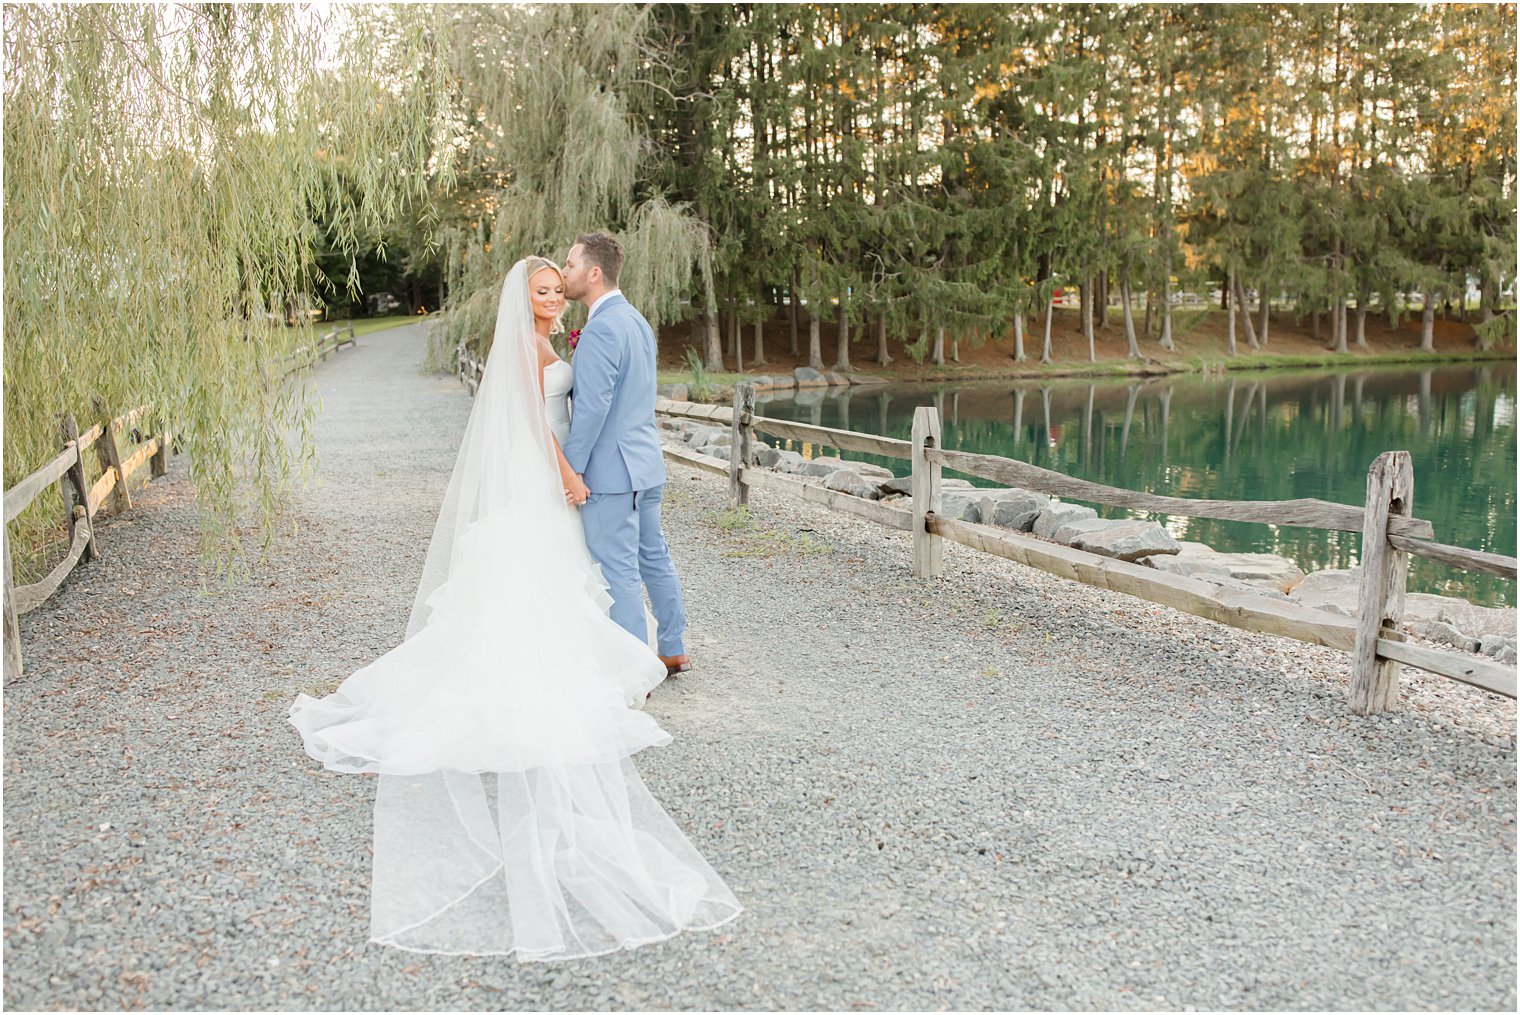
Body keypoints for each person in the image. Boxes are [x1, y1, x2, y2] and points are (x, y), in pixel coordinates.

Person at [288, 257, 740, 960]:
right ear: (522, 299)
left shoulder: (552, 341)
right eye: (544, 290)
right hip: (544, 476)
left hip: (550, 476)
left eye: (560, 288)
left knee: (558, 580)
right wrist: (570, 477)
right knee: (539, 578)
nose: (556, 297)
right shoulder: (528, 347)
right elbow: (534, 424)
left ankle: (569, 660)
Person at [561, 233, 693, 678]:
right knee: (654, 557)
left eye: (570, 265)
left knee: (616, 567)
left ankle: (636, 668)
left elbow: (593, 407)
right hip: (645, 465)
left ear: (593, 273)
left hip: (612, 473)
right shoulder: (637, 321)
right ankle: (672, 649)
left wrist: (570, 467)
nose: (565, 274)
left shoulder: (601, 328)